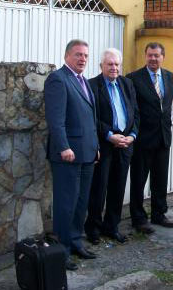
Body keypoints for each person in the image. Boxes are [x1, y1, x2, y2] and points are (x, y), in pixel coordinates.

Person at [44, 39, 99, 271]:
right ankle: (62, 251)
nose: (82, 59)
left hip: (87, 153)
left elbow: (90, 119)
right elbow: (56, 119)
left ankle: (76, 243)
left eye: (85, 55)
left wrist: (95, 146)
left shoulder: (83, 80)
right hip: (68, 154)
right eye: (78, 55)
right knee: (66, 204)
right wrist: (64, 146)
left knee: (80, 203)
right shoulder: (58, 79)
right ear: (67, 56)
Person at [84, 48, 139, 245]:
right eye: (110, 64)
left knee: (117, 189)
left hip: (125, 145)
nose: (114, 67)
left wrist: (132, 136)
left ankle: (112, 227)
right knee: (98, 190)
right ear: (101, 66)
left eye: (116, 64)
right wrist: (109, 135)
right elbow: (92, 118)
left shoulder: (127, 84)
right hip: (104, 145)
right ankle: (93, 229)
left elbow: (135, 113)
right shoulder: (91, 86)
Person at [127, 42, 173, 232]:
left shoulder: (170, 77)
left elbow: (165, 107)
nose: (153, 59)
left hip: (163, 137)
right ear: (145, 56)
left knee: (160, 179)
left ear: (163, 57)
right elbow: (132, 109)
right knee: (138, 181)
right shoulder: (133, 79)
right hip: (142, 139)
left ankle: (159, 214)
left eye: (157, 55)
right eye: (150, 55)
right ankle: (138, 219)